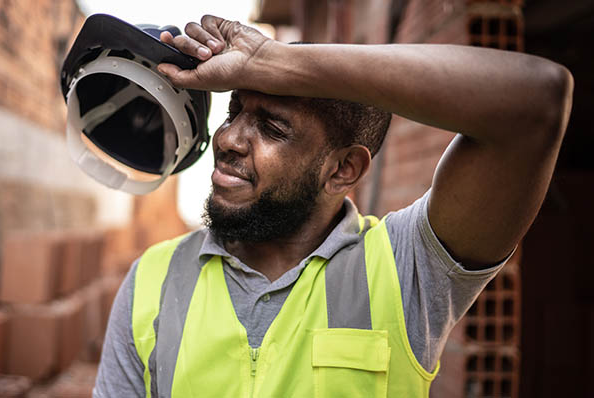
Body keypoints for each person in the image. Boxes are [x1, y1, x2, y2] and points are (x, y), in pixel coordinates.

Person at [93, 15, 573, 397]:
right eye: (235, 111)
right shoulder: (152, 279)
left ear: (343, 169)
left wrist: (276, 62)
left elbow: (537, 102)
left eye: (272, 128)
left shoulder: (405, 269)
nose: (228, 139)